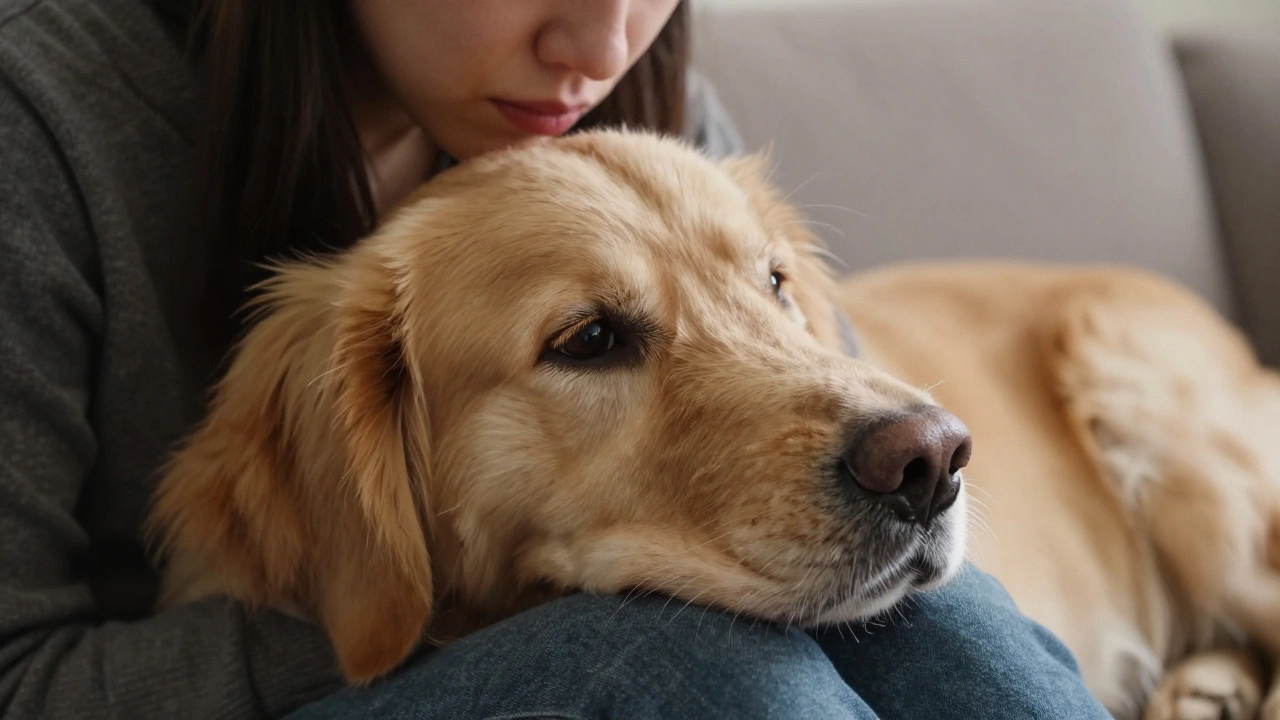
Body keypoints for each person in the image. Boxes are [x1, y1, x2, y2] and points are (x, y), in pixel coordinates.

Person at [0, 0, 1112, 718]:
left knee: (941, 619)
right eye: (592, 337)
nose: (604, 45)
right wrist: (427, 592)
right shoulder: (35, 121)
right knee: (683, 667)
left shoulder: (640, 107)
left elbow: (848, 414)